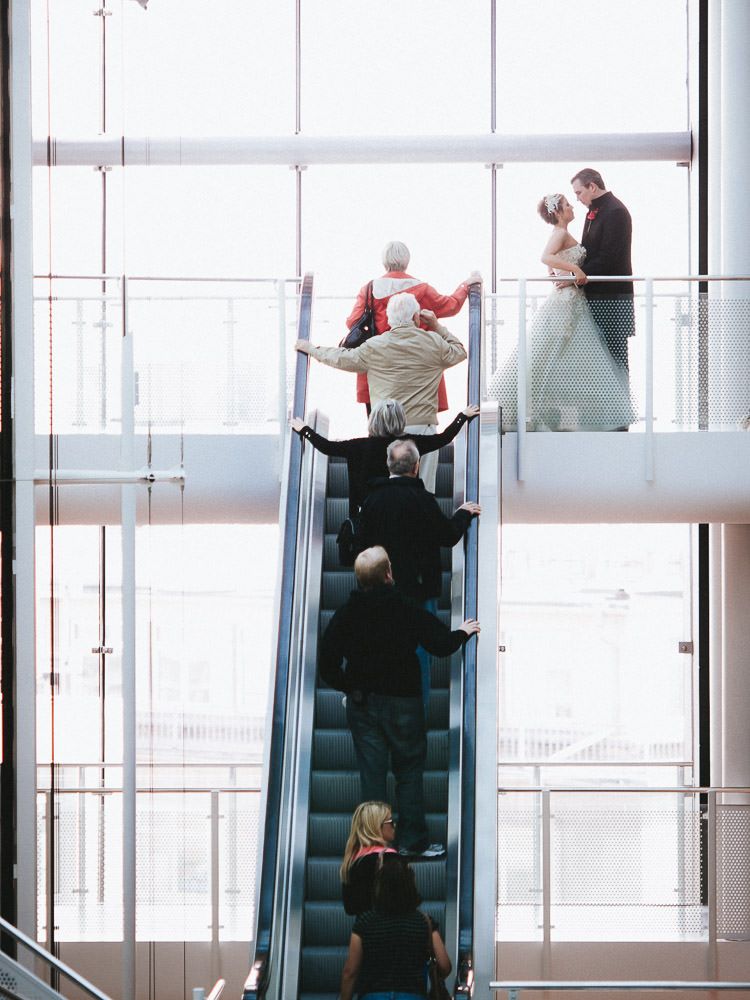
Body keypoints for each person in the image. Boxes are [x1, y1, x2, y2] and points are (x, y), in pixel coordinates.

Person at [319, 545, 480, 858]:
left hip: (363, 704)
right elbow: (440, 644)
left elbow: (327, 664)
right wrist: (462, 632)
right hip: (404, 702)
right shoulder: (406, 607)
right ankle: (412, 841)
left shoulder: (346, 614)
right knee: (408, 770)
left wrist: (349, 686)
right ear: (389, 573)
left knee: (372, 775)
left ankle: (373, 847)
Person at [488, 193, 636, 432]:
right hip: (566, 302)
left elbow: (551, 268)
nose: (572, 207)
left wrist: (562, 275)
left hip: (572, 297)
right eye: (568, 204)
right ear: (557, 212)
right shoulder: (560, 234)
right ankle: (537, 412)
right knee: (550, 354)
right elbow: (545, 258)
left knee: (560, 357)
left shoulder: (561, 234)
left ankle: (556, 414)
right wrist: (575, 269)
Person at [296, 292, 468, 493]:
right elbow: (460, 352)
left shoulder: (375, 346)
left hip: (385, 432)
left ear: (389, 319)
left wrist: (312, 349)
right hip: (423, 429)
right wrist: (437, 326)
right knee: (423, 494)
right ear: (416, 318)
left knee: (383, 492)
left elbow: (341, 358)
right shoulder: (433, 343)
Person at [357, 438, 481, 712]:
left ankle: (377, 706)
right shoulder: (422, 500)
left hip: (379, 592)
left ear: (388, 465)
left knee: (379, 648)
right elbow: (448, 536)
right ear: (416, 467)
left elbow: (361, 544)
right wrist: (462, 515)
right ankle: (417, 713)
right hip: (419, 590)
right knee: (420, 652)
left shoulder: (372, 500)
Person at [347, 240, 479, 416]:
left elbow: (353, 322)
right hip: (417, 371)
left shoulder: (369, 289)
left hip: (380, 370)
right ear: (406, 261)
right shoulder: (422, 289)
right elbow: (450, 306)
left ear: (384, 262)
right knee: (418, 426)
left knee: (380, 427)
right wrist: (465, 286)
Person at [290, 400, 480, 517]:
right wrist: (462, 417)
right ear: (400, 420)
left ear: (373, 420)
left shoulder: (357, 446)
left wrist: (305, 430)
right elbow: (443, 438)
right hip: (402, 510)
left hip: (366, 512)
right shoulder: (409, 444)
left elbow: (327, 447)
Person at [340, 853, 452, 1000]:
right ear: (411, 885)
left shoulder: (365, 922)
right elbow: (445, 966)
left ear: (379, 886)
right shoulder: (424, 922)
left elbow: (350, 971)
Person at [571, 168, 635, 374]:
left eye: (579, 193)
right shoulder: (594, 212)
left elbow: (608, 258)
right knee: (597, 358)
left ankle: (620, 404)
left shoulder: (615, 211)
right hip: (597, 295)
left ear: (592, 186)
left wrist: (574, 276)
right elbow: (587, 252)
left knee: (615, 357)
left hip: (612, 298)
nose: (578, 199)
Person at [340, 801, 398, 916]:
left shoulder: (351, 862)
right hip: (391, 928)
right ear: (376, 826)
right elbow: (406, 902)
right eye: (391, 822)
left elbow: (350, 909)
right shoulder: (390, 858)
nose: (394, 825)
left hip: (363, 930)